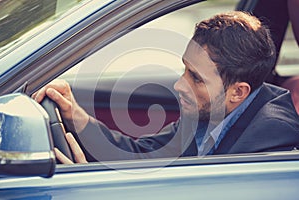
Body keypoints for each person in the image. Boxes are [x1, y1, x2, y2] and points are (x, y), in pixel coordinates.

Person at [33, 11, 299, 164]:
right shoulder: (209, 114)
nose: (179, 85)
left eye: (196, 78)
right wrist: (73, 114)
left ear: (237, 92)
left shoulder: (271, 142)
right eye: (184, 68)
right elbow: (140, 156)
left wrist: (88, 191)